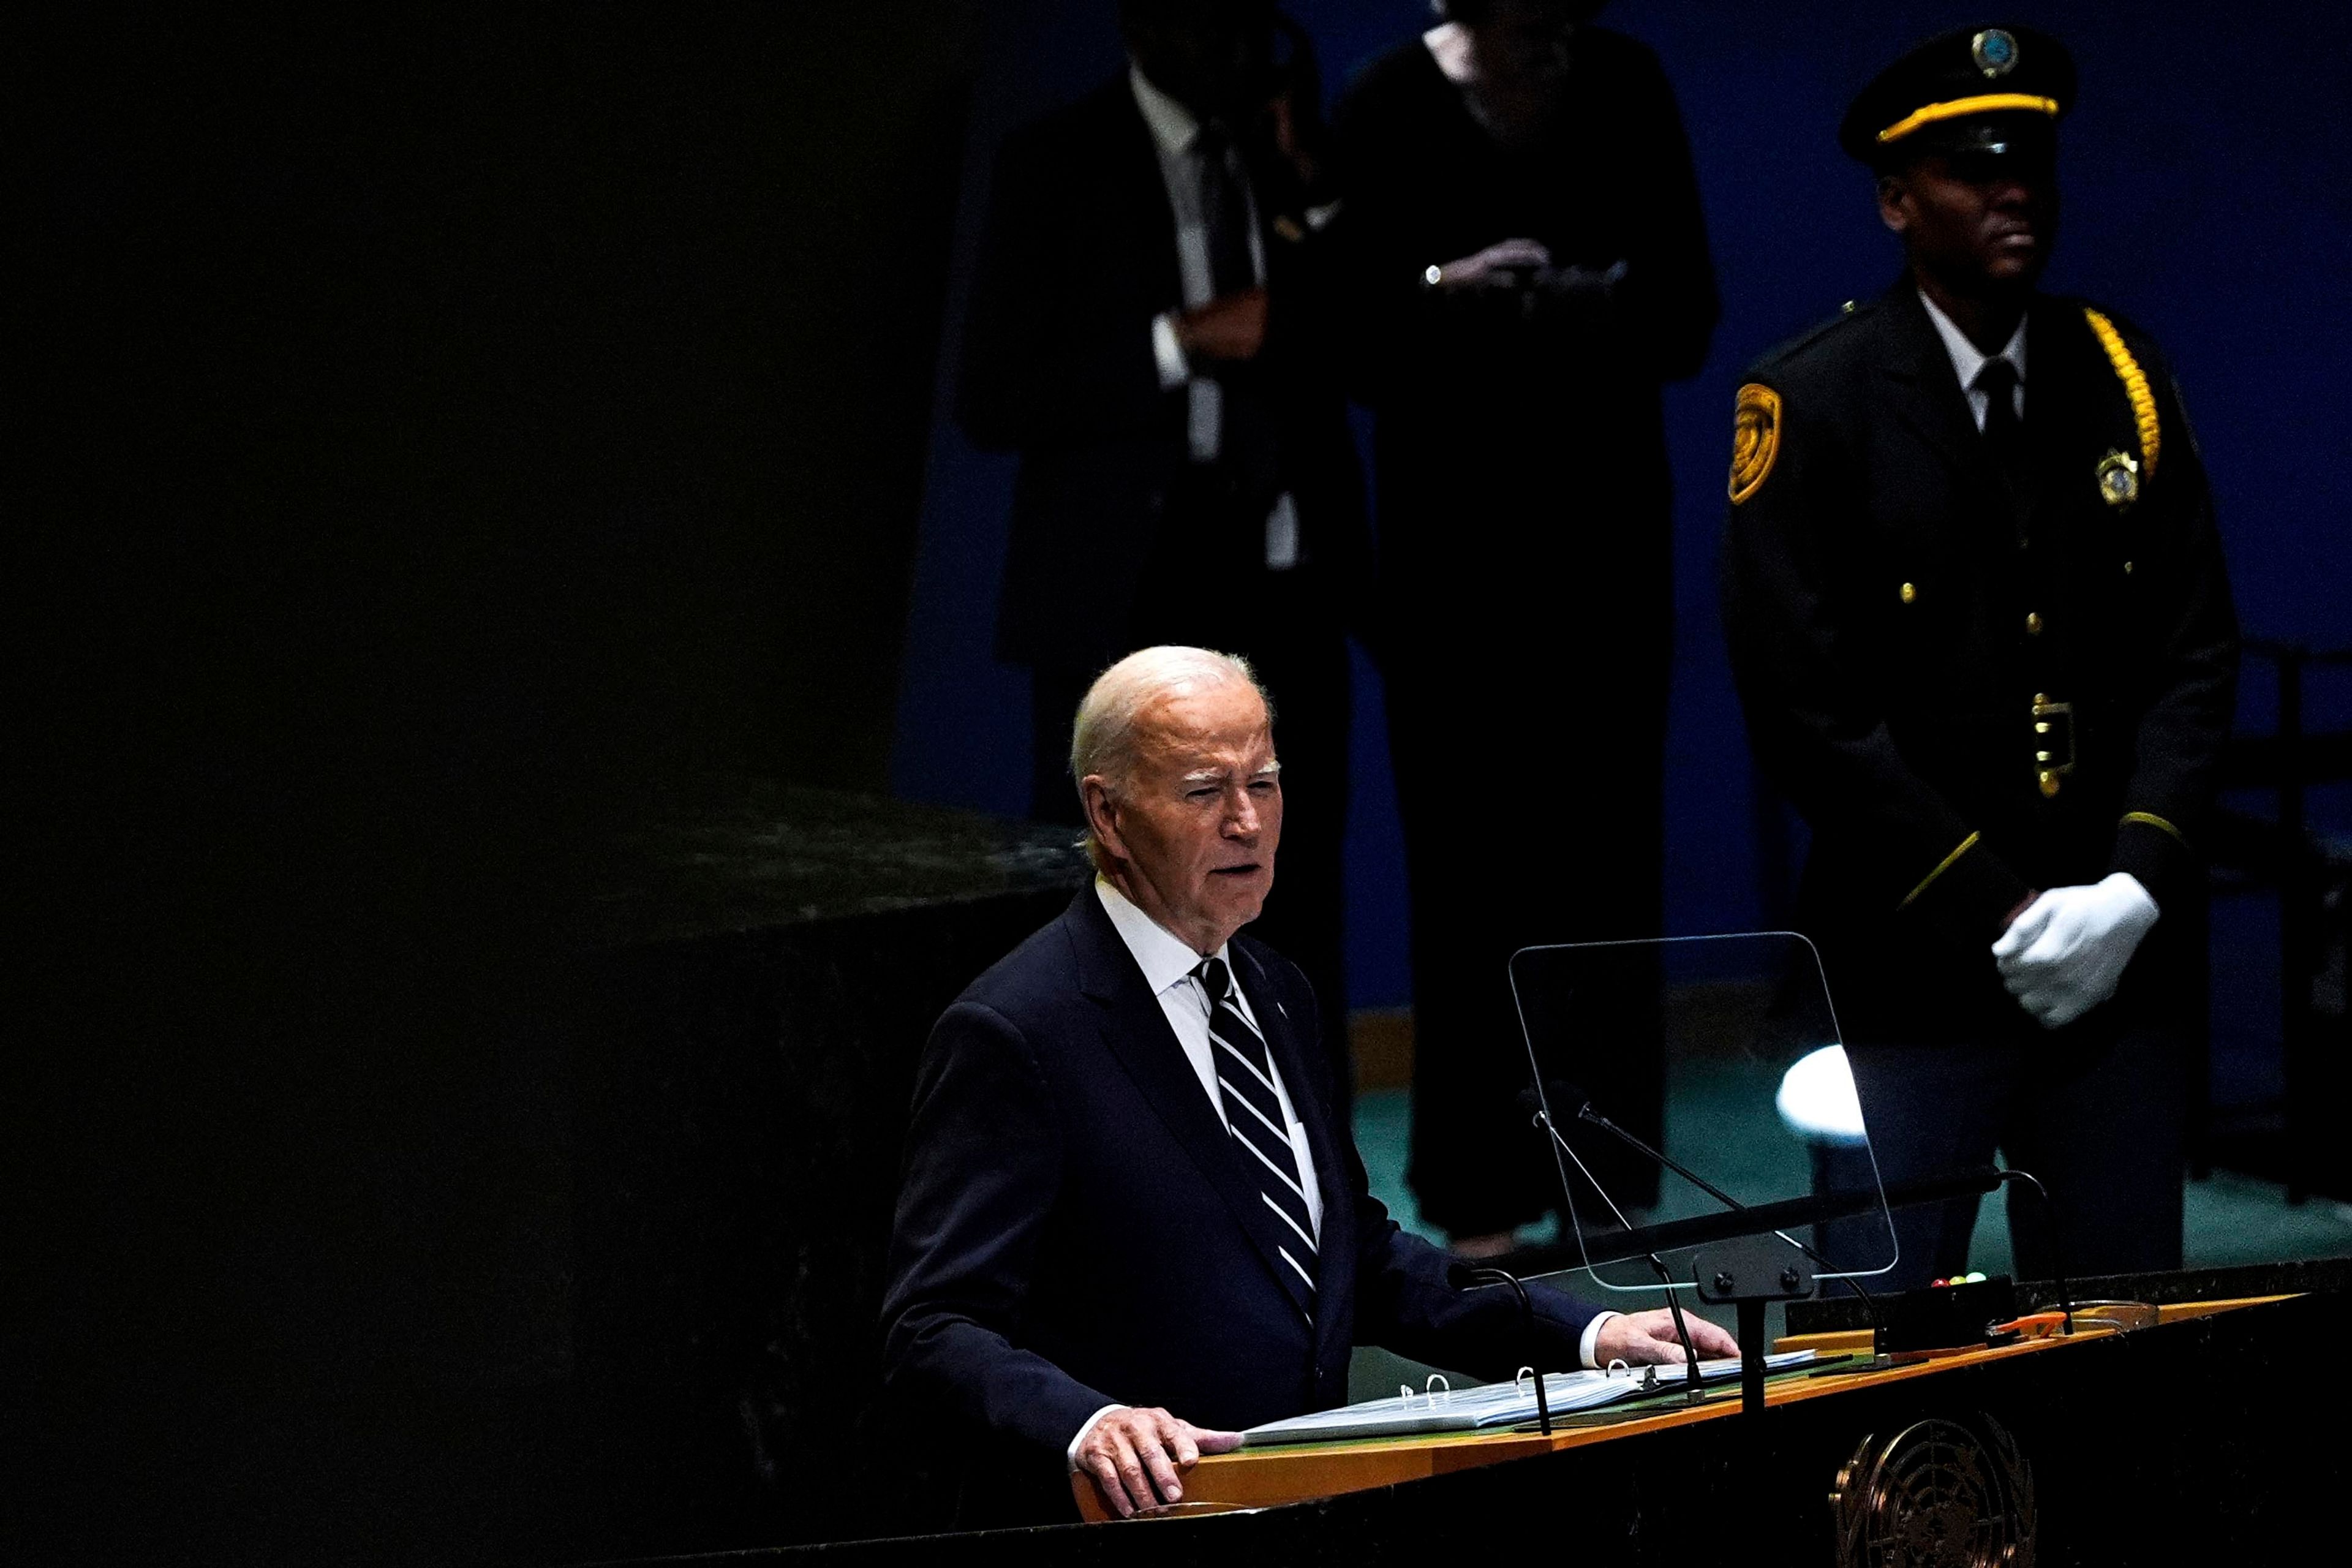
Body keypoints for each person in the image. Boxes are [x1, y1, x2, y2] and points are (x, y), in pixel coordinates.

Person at [881, 646, 1735, 1526]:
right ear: (1109, 812)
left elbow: (1349, 1261)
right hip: (1144, 1526)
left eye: (1267, 783)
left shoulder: (1278, 992)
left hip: (1308, 1508)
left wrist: (1589, 1336)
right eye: (1206, 792)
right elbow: (934, 1326)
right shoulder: (1018, 1030)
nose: (1247, 822)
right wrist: (1089, 1423)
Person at [1721, 26, 2239, 1289]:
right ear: (1898, 200)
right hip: (1916, 963)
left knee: (2123, 1328)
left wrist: (2131, 887)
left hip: (2118, 964)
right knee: (1882, 1359)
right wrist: (2008, 909)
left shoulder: (2122, 376)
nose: (2015, 191)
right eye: (1972, 168)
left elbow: (2195, 649)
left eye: (2033, 166)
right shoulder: (1816, 399)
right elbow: (1808, 714)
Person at [1329, 0, 1717, 1254]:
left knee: (1606, 855)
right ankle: (1479, 1195)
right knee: (1467, 871)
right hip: (1453, 559)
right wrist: (1448, 290)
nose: (1556, 24)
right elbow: (1341, 333)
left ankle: (1609, 1179)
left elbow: (1687, 311)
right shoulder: (1385, 105)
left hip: (1603, 548)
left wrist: (1578, 302)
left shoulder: (1627, 83)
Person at [957, 0, 1362, 1058]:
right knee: (1123, 891)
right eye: (1208, 20)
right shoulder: (1056, 160)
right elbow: (994, 397)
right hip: (1124, 588)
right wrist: (1183, 342)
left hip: (1281, 575)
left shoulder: (1284, 159)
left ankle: (1305, 1161)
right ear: (1143, 22)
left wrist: (1315, 197)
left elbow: (1354, 343)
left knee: (1295, 881)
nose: (1234, 46)